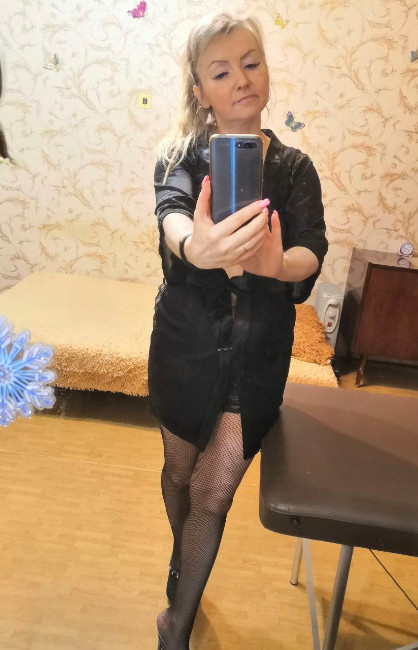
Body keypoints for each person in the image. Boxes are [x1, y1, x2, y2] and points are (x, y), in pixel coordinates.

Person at [148, 12, 328, 650]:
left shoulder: (296, 168)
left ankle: (177, 623)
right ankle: (183, 565)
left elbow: (311, 251)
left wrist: (278, 266)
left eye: (252, 63)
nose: (242, 79)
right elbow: (171, 212)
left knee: (213, 489)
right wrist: (194, 245)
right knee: (178, 473)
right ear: (200, 91)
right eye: (221, 71)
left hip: (257, 353)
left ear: (267, 73)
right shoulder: (180, 156)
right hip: (184, 344)